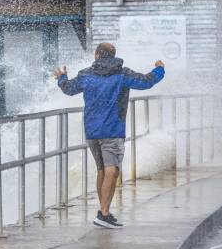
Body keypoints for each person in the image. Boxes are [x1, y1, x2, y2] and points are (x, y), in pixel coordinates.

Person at [53, 43, 165, 229]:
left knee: (102, 170)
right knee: (112, 171)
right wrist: (159, 69)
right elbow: (147, 82)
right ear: (113, 56)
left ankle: (104, 211)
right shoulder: (122, 74)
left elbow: (69, 89)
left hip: (92, 131)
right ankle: (103, 214)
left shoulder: (86, 74)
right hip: (112, 130)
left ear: (97, 55)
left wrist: (61, 78)